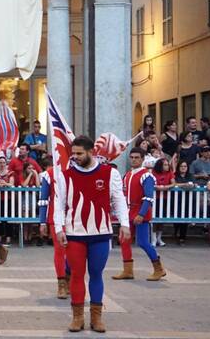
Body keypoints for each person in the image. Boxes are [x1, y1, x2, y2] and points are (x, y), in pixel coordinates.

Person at [53, 136, 130, 333]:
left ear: (91, 152)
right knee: (77, 275)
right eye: (73, 153)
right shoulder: (65, 175)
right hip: (74, 234)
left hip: (101, 233)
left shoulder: (109, 173)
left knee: (96, 274)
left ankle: (97, 318)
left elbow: (119, 200)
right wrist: (59, 229)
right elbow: (59, 205)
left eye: (79, 153)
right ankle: (77, 317)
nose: (75, 157)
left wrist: (124, 224)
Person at [112, 147, 166, 281]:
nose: (134, 160)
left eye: (137, 157)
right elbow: (123, 195)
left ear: (142, 159)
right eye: (132, 157)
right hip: (128, 212)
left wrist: (141, 214)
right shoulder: (127, 175)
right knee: (124, 240)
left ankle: (159, 268)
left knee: (143, 242)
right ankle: (128, 270)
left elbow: (148, 197)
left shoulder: (147, 176)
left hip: (140, 212)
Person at [38, 160, 70, 299]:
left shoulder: (77, 171)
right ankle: (62, 284)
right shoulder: (49, 174)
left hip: (75, 218)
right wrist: (42, 222)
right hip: (55, 218)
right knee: (60, 250)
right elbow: (44, 199)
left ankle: (70, 281)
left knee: (74, 252)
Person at [151, 158, 175, 247]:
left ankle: (159, 238)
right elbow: (151, 182)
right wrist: (157, 187)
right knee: (155, 218)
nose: (167, 166)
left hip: (165, 198)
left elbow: (173, 183)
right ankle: (153, 239)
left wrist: (166, 187)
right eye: (165, 165)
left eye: (167, 164)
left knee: (162, 219)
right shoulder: (154, 172)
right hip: (155, 198)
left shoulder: (169, 173)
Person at [173, 160, 195, 245]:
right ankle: (176, 232)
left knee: (185, 218)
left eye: (185, 166)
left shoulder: (190, 176)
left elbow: (193, 184)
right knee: (177, 217)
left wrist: (190, 185)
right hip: (177, 199)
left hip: (187, 200)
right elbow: (174, 184)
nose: (183, 168)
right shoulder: (175, 175)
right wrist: (184, 184)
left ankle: (182, 237)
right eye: (181, 166)